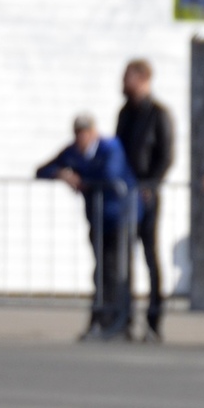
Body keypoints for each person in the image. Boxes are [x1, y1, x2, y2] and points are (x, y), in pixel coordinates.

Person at [37, 114, 137, 340]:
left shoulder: (110, 147)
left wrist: (81, 177)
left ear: (94, 132)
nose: (81, 138)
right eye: (78, 133)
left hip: (120, 215)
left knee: (117, 270)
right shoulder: (73, 151)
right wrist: (61, 173)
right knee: (102, 269)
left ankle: (121, 321)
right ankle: (102, 320)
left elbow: (109, 174)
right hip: (97, 218)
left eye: (85, 132)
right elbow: (42, 170)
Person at [115, 59, 175, 340]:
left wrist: (150, 184)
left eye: (128, 78)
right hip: (124, 193)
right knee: (123, 256)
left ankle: (154, 319)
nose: (123, 83)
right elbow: (118, 151)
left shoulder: (159, 114)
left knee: (150, 254)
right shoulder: (125, 113)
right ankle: (124, 316)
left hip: (146, 194)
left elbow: (166, 155)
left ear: (143, 79)